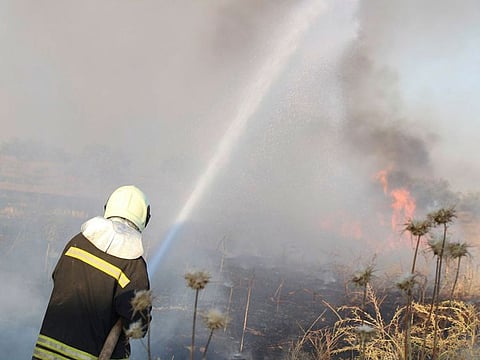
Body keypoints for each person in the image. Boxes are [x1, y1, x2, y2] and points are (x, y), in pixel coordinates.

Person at [33, 185, 152, 360]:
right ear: (144, 218)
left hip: (45, 353)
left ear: (108, 207)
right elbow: (138, 325)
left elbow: (57, 279)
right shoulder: (133, 264)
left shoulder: (78, 241)